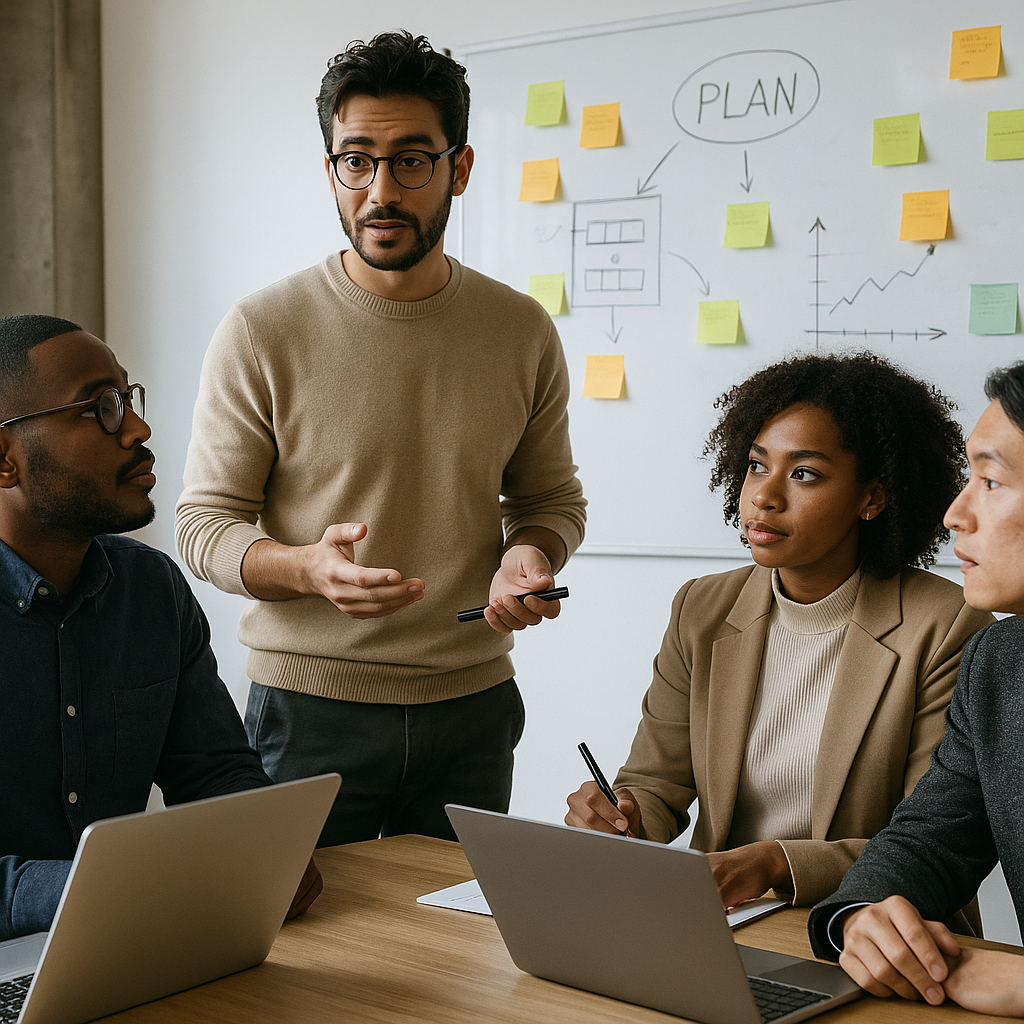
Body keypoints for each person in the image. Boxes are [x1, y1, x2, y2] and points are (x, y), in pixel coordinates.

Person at [174, 30, 586, 847]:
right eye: (355, 161)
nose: (379, 191)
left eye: (410, 161)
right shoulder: (263, 328)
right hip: (309, 714)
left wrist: (529, 554)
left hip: (471, 709)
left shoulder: (521, 329)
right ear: (331, 168)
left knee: (457, 963)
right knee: (299, 960)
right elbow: (203, 526)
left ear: (459, 169)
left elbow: (549, 500)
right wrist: (304, 569)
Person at [565, 352, 992, 917]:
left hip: (870, 925)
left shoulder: (946, 624)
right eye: (756, 465)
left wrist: (774, 862)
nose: (764, 496)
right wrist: (625, 815)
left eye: (804, 473)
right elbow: (656, 781)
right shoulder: (703, 607)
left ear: (872, 497)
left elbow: (930, 841)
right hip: (718, 917)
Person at [0, 314, 321, 942]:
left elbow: (213, 771)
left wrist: (264, 848)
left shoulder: (150, 590)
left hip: (127, 940)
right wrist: (104, 887)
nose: (140, 430)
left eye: (127, 397)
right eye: (101, 407)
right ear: (5, 461)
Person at [807, 361, 1024, 1017]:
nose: (956, 513)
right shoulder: (998, 663)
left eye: (991, 481)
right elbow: (926, 842)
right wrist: (862, 918)